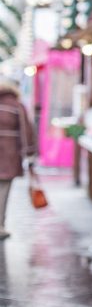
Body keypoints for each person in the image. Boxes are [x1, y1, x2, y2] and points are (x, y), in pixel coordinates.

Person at [0, 76, 36, 240]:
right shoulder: (16, 105)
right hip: (9, 154)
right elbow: (25, 130)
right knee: (4, 190)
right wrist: (29, 152)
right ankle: (0, 225)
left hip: (8, 154)